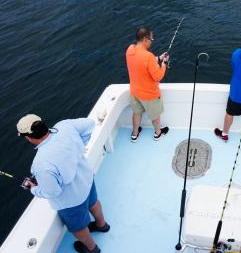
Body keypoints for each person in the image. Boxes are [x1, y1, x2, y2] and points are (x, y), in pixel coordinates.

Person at [17, 114, 109, 253]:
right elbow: (90, 124)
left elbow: (53, 192)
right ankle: (102, 226)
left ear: (28, 137)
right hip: (87, 181)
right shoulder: (65, 126)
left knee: (78, 227)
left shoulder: (41, 163)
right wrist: (78, 146)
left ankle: (91, 249)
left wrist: (33, 188)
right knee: (93, 203)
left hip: (71, 200)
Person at [126, 27, 169, 143]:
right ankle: (158, 133)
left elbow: (141, 61)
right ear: (146, 39)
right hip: (149, 94)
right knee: (155, 115)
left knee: (136, 113)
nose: (151, 42)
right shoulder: (148, 56)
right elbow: (158, 76)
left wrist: (158, 58)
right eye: (151, 39)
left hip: (135, 92)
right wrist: (164, 64)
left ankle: (134, 134)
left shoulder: (130, 50)